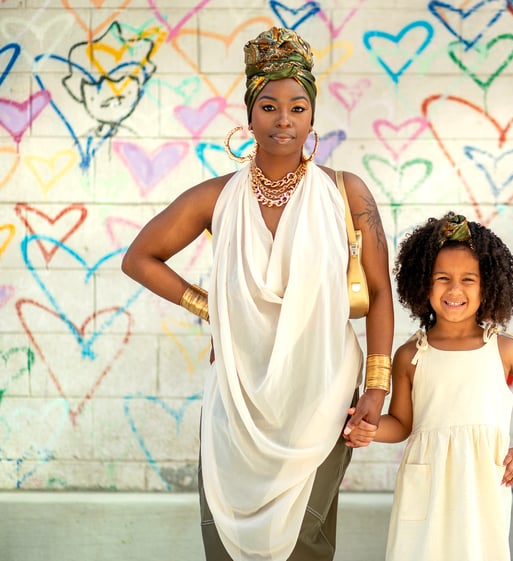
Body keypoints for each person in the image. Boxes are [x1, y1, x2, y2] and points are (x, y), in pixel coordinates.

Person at [121, 27, 394, 561]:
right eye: (269, 106)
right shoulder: (216, 197)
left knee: (304, 546)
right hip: (237, 403)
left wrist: (376, 388)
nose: (284, 120)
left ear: (312, 116)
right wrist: (211, 310)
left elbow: (381, 292)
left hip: (325, 395)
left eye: (297, 106)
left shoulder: (347, 192)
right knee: (225, 540)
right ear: (249, 117)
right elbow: (139, 258)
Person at [346, 212, 513, 561]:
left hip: (481, 491)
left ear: (488, 285)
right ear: (423, 284)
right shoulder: (410, 356)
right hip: (425, 489)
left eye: (468, 279)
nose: (455, 289)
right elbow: (402, 424)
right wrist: (369, 429)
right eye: (442, 278)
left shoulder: (504, 348)